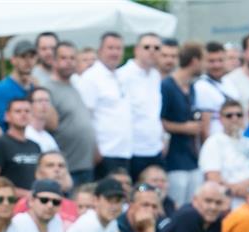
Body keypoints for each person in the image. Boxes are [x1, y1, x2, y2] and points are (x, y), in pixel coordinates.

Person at [38, 41, 96, 186]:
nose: (69, 62)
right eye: (64, 58)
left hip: (86, 164)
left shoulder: (76, 85)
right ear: (54, 61)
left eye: (72, 58)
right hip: (67, 167)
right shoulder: (47, 88)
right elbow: (50, 124)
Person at [79, 32, 132, 179]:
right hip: (104, 153)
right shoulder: (91, 78)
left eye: (118, 48)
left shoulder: (121, 76)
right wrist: (95, 150)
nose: (115, 52)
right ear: (100, 50)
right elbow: (86, 117)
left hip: (124, 151)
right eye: (110, 48)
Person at [199, 99, 249, 204]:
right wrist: (243, 190)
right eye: (229, 115)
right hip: (228, 202)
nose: (235, 118)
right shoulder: (213, 142)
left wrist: (245, 187)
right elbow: (214, 180)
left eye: (239, 115)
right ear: (220, 119)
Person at [160, 42, 204, 206]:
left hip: (191, 155)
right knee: (177, 202)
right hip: (174, 157)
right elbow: (160, 120)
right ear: (194, 61)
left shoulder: (191, 87)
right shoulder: (167, 86)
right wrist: (184, 128)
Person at [118, 32, 164, 179]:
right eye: (147, 47)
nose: (152, 51)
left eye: (157, 48)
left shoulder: (155, 76)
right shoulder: (122, 75)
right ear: (136, 49)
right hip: (133, 150)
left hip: (155, 148)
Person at [0, 98, 42, 194]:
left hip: (33, 205)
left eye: (27, 111)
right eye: (18, 111)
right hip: (8, 203)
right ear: (7, 116)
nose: (23, 114)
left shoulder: (35, 146)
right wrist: (24, 194)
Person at [0, 39, 37, 130]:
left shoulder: (35, 87)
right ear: (13, 60)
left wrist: (37, 89)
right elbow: (4, 122)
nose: (28, 61)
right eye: (23, 57)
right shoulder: (2, 89)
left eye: (31, 57)